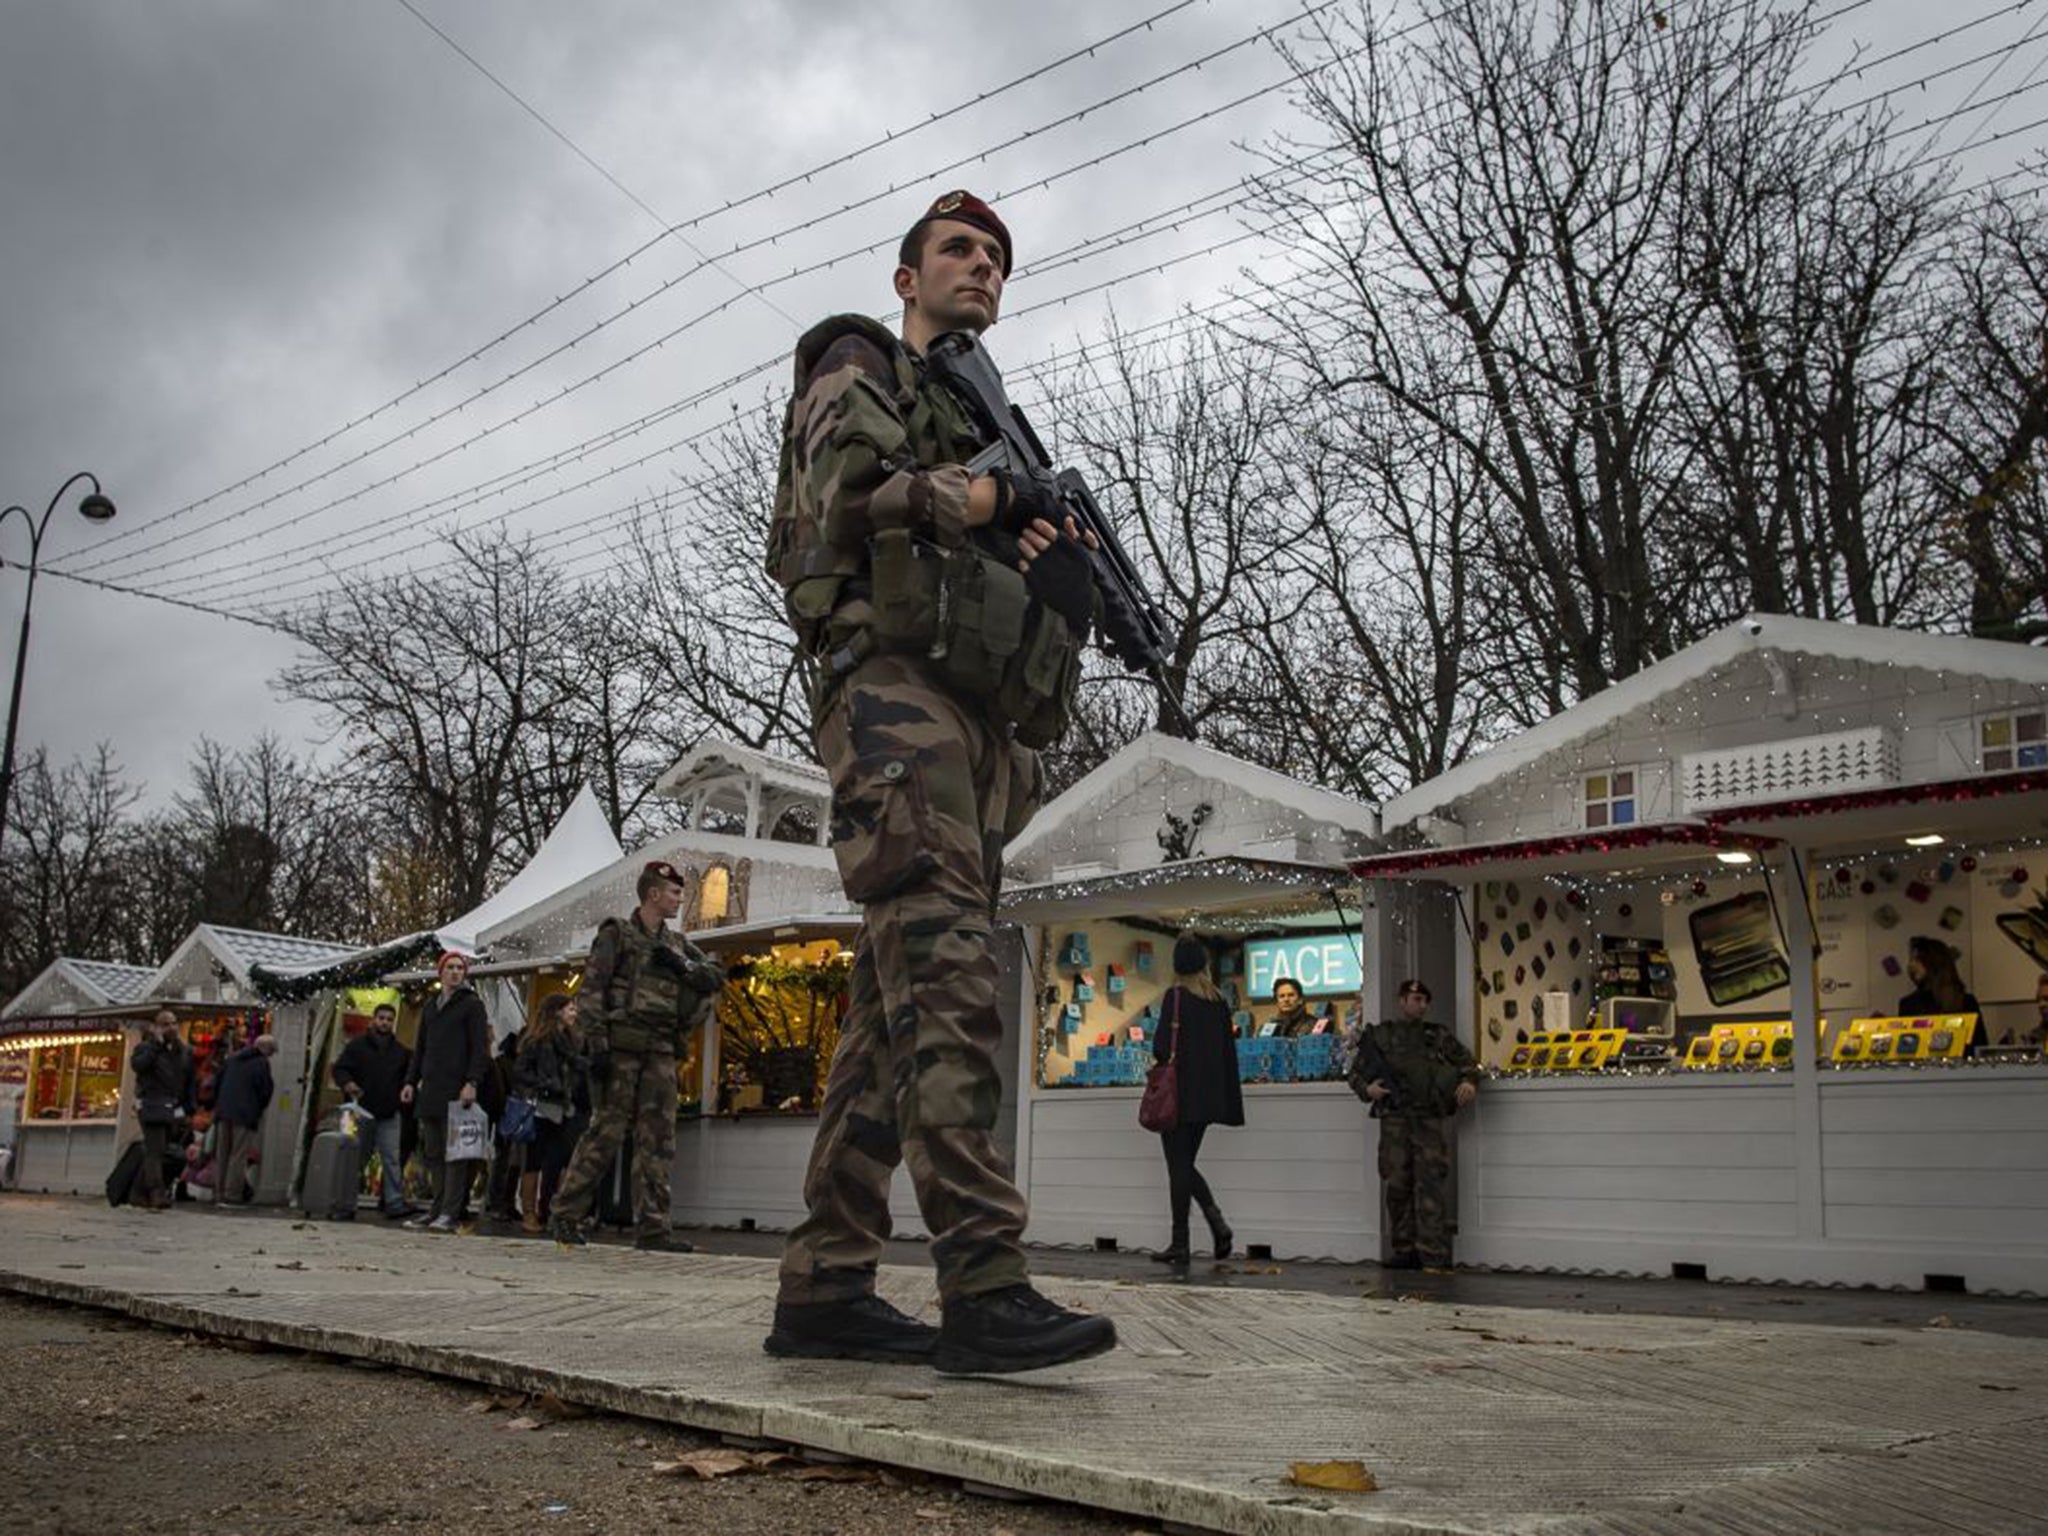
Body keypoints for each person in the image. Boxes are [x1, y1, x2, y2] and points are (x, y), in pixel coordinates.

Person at [761, 189, 1115, 1375]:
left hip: (967, 724)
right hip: (887, 698)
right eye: (959, 251)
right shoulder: (858, 361)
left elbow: (1028, 690)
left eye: (999, 261)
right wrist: (990, 498)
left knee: (887, 1011)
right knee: (950, 975)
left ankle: (824, 1286)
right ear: (907, 276)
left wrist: (1058, 602)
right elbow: (846, 505)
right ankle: (982, 1284)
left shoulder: (980, 424)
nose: (983, 269)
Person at [550, 861, 720, 1254]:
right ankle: (566, 1215)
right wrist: (596, 1046)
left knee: (658, 1140)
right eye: (674, 892)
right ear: (653, 894)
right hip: (620, 1048)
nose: (680, 899)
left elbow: (714, 977)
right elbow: (592, 989)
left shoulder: (676, 945)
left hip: (660, 1050)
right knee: (605, 1132)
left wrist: (683, 966)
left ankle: (654, 1229)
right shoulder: (617, 935)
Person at [1350, 979, 1481, 1271]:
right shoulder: (1382, 1036)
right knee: (1397, 1186)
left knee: (1430, 1185)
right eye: (1415, 999)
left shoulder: (1437, 1036)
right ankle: (1404, 1250)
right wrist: (1367, 1090)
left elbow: (1467, 1063)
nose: (1421, 1005)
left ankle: (1432, 1253)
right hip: (1395, 1120)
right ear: (1402, 1000)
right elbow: (1355, 1074)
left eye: (1425, 1000)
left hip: (1428, 1119)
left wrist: (1469, 1082)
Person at [1149, 934, 1244, 1266]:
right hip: (1208, 1097)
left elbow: (1161, 1047)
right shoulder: (1218, 1000)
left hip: (1178, 1094)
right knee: (1185, 1165)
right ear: (1204, 962)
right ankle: (1216, 1225)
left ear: (1176, 964)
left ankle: (1181, 1243)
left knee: (1178, 1167)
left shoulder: (1175, 997)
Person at [401, 953, 491, 1234]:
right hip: (431, 1088)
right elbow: (421, 1048)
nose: (455, 972)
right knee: (434, 1152)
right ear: (440, 972)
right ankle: (437, 1208)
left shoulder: (472, 1005)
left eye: (460, 968)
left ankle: (451, 1211)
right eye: (450, 968)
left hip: (458, 1088)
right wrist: (410, 1080)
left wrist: (472, 1082)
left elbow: (479, 1048)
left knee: (456, 1154)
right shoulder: (431, 1006)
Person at [514, 993, 589, 1234]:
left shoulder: (569, 1040)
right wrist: (544, 1084)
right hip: (541, 1107)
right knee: (534, 1160)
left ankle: (550, 1210)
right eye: (570, 1009)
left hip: (562, 1107)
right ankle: (529, 1212)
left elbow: (576, 1066)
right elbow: (521, 1071)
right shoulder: (538, 1040)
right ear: (557, 1011)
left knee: (558, 1160)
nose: (574, 1014)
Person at [332, 1002, 415, 1219]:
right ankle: (344, 1204)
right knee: (354, 1159)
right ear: (373, 1020)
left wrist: (407, 1090)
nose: (385, 1022)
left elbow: (410, 1077)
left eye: (389, 1019)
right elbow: (339, 1068)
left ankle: (394, 1203)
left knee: (392, 1159)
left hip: (389, 1112)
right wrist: (347, 1083)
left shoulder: (401, 1052)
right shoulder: (356, 1047)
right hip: (360, 1111)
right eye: (382, 1018)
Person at [129, 1010, 194, 1212]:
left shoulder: (183, 1051)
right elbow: (138, 1066)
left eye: (173, 1023)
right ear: (157, 1027)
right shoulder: (146, 1048)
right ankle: (156, 1192)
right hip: (151, 1103)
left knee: (160, 1149)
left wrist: (188, 1106)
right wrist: (156, 1046)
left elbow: (188, 1079)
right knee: (156, 1149)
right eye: (165, 1024)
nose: (171, 1027)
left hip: (173, 1106)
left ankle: (138, 1193)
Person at [210, 1034, 276, 1209]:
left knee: (222, 1153)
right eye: (271, 1052)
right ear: (266, 1049)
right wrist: (258, 1109)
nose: (270, 1056)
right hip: (245, 1114)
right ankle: (233, 1194)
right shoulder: (261, 1063)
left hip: (223, 1112)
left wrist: (219, 1104)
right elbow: (265, 1090)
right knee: (238, 1155)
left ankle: (218, 1192)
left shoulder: (232, 1059)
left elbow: (217, 1083)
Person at [1897, 935, 1985, 1055]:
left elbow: (1980, 1048)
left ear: (1934, 962)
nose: (1911, 965)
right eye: (1911, 960)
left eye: (1917, 960)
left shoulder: (1966, 1001)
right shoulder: (1908, 1004)